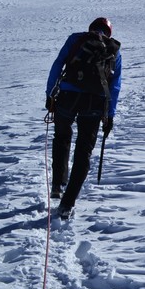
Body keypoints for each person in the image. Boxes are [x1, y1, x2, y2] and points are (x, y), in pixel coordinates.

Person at [46, 17, 122, 219]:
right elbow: (114, 85)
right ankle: (67, 204)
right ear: (109, 32)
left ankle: (57, 184)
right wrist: (110, 115)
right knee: (83, 151)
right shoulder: (113, 49)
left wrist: (50, 94)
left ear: (91, 28)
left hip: (68, 96)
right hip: (95, 103)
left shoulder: (76, 40)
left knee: (62, 137)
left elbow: (58, 64)